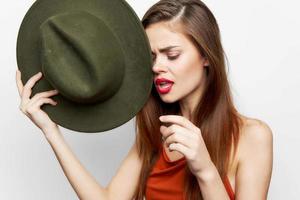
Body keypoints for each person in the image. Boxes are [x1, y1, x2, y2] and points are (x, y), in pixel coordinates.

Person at [16, 0, 273, 199]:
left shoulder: (253, 136)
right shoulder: (154, 133)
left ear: (206, 56)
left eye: (171, 55)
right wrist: (51, 131)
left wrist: (206, 171)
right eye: (152, 57)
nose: (158, 66)